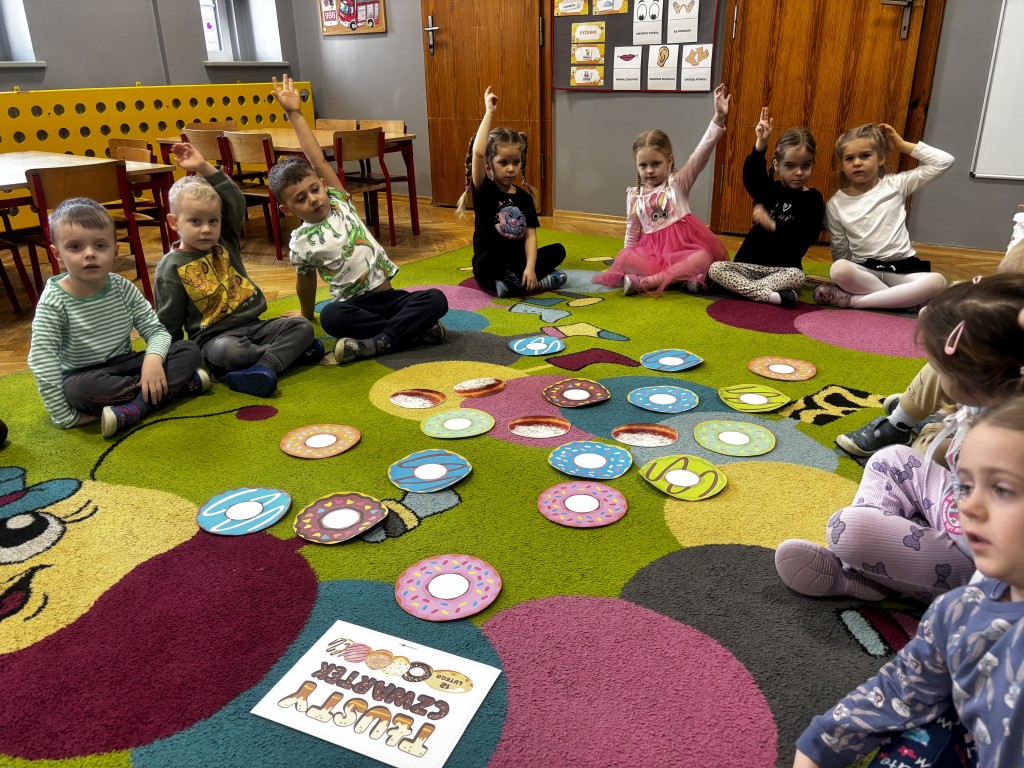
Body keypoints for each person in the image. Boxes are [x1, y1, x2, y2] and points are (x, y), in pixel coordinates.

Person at [792, 396, 1024, 768]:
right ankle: (862, 571)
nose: (968, 507)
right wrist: (820, 745)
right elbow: (902, 686)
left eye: (1002, 490)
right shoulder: (958, 612)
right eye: (965, 486)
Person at [776, 273, 1024, 603]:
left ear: (965, 377)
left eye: (937, 368)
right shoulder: (989, 398)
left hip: (984, 565)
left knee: (847, 528)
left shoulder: (1006, 441)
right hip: (959, 510)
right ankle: (878, 565)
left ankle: (856, 574)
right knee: (890, 458)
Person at [268, 75, 448, 363]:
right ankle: (409, 333)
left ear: (324, 186)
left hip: (390, 298)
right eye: (300, 199)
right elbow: (306, 283)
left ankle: (380, 341)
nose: (312, 199)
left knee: (436, 298)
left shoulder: (339, 201)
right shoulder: (301, 243)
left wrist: (295, 113)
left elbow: (317, 160)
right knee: (331, 317)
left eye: (314, 189)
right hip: (354, 307)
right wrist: (306, 314)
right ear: (286, 210)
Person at [837, 218, 1024, 459]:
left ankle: (933, 421)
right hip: (980, 403)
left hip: (996, 440)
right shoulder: (1002, 337)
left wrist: (948, 430)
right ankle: (901, 421)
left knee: (925, 453)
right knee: (948, 350)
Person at [27, 198, 207, 438]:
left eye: (100, 245)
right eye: (75, 247)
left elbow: (156, 331)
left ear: (115, 250)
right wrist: (65, 416)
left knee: (188, 349)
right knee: (77, 392)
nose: (89, 254)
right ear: (57, 253)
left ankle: (136, 406)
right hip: (85, 376)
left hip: (126, 363)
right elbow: (43, 360)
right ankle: (176, 385)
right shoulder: (54, 302)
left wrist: (153, 361)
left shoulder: (122, 287)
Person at [155, 142, 321, 397]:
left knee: (302, 327)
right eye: (195, 221)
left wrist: (203, 166)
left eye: (213, 221)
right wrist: (178, 362)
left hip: (256, 327)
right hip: (214, 340)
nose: (206, 229)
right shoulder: (170, 268)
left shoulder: (225, 241)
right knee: (230, 352)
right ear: (174, 223)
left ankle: (263, 367)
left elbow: (233, 198)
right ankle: (286, 356)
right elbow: (169, 323)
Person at [592, 83, 731, 296]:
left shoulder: (678, 183)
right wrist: (624, 260)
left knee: (704, 257)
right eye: (643, 165)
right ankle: (683, 280)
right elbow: (632, 231)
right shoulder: (635, 196)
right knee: (626, 258)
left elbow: (700, 155)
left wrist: (718, 118)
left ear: (669, 160)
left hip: (684, 251)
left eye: (656, 164)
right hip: (652, 256)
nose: (649, 170)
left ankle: (648, 282)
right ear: (636, 166)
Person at [813, 123, 952, 310]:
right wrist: (844, 279)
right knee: (839, 269)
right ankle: (905, 300)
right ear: (843, 166)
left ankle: (852, 301)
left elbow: (944, 161)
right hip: (865, 270)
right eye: (849, 158)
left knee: (937, 281)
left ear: (881, 158)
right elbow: (840, 248)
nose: (857, 163)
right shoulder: (835, 204)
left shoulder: (896, 185)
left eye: (865, 155)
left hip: (903, 270)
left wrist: (902, 146)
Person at [707, 107, 824, 307]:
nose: (799, 172)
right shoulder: (769, 189)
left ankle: (742, 290)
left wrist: (772, 225)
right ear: (777, 165)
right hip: (749, 265)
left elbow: (805, 237)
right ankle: (770, 295)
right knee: (716, 269)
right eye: (790, 166)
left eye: (806, 165)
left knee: (797, 277)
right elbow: (752, 177)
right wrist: (761, 143)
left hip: (782, 271)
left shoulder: (813, 199)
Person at [457, 86, 567, 299]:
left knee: (558, 250)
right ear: (488, 165)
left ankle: (514, 283)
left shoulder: (524, 198)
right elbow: (477, 153)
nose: (510, 168)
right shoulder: (485, 190)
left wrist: (531, 268)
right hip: (492, 264)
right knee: (484, 263)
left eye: (516, 162)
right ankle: (533, 283)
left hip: (519, 262)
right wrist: (489, 112)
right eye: (503, 163)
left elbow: (530, 236)